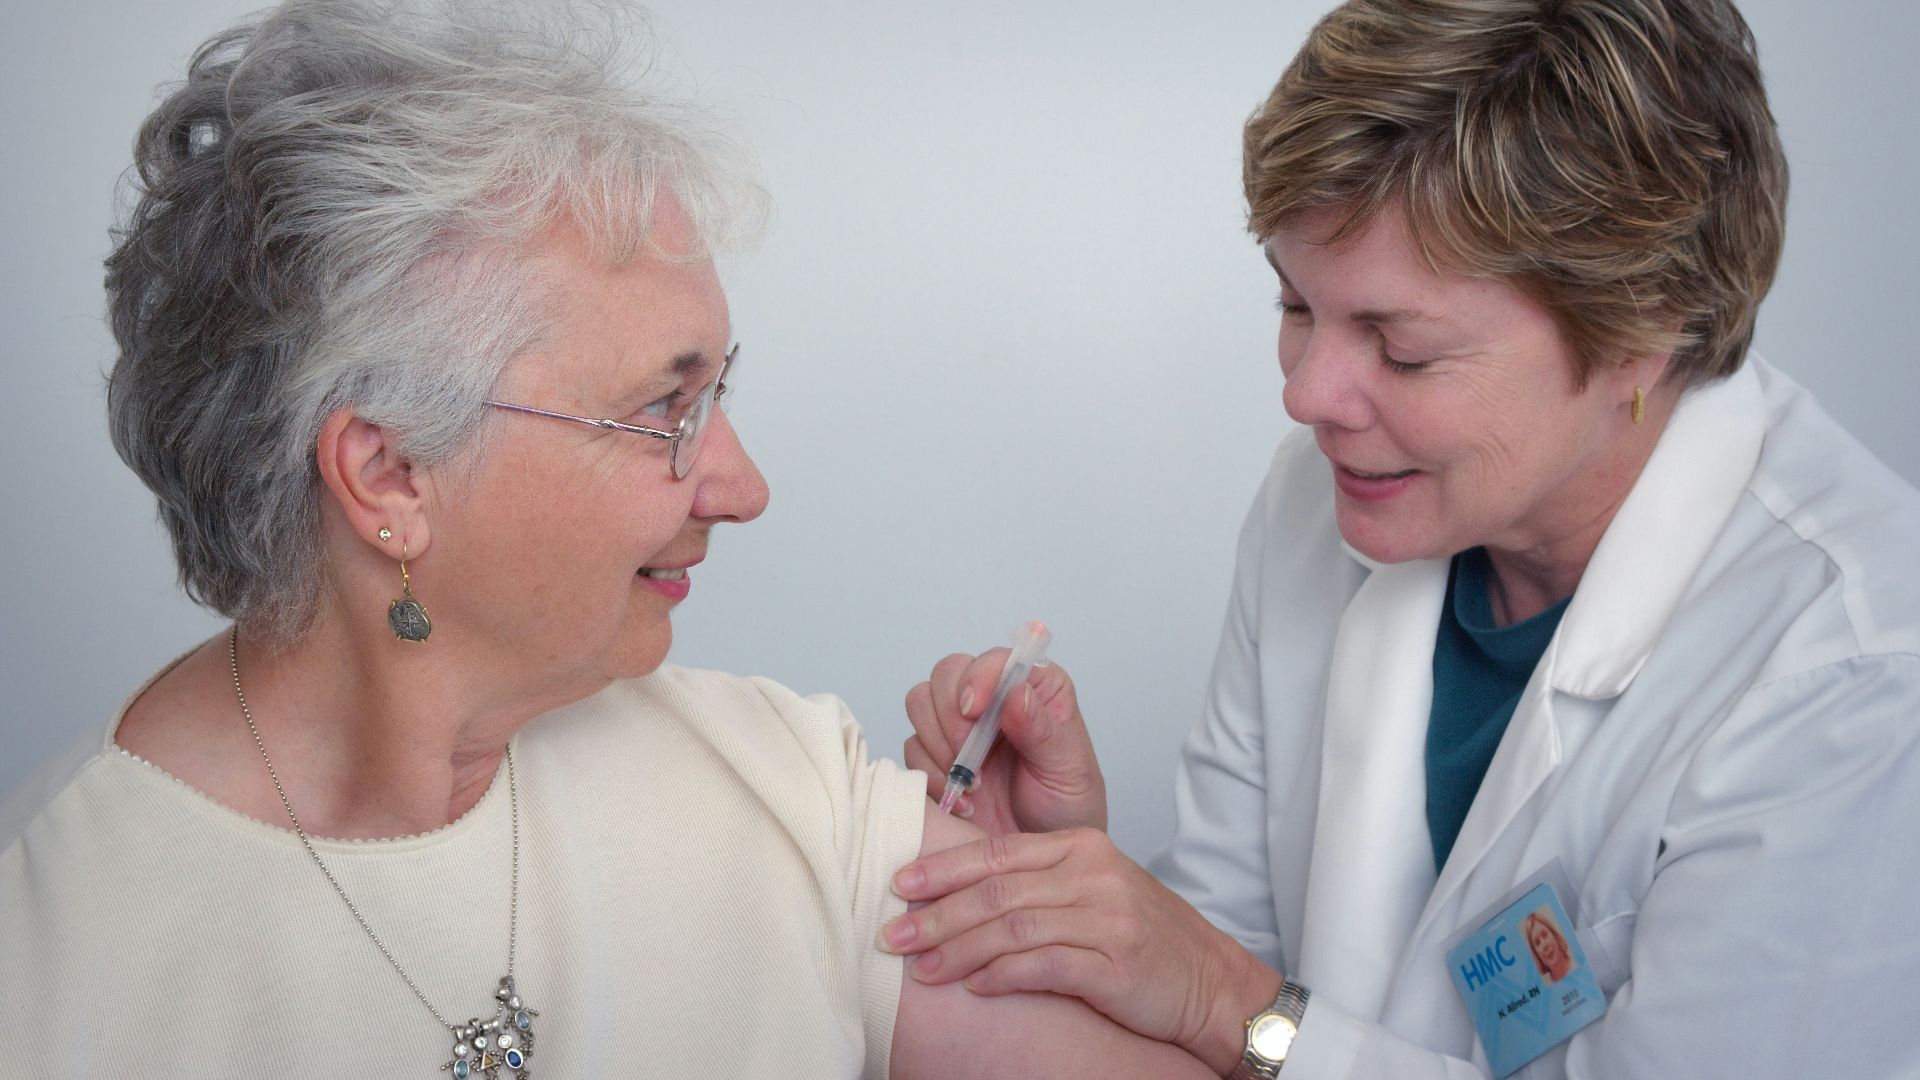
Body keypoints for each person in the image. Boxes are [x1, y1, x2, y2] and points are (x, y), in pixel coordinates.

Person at [0, 3, 1214, 1077]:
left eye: (718, 392)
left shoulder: (790, 798)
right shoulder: (43, 962)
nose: (743, 487)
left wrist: (1068, 926)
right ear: (390, 475)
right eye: (663, 412)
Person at [887, 0, 1920, 1076]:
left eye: (1404, 349)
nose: (1306, 393)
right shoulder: (1328, 500)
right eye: (1296, 305)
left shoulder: (1855, 678)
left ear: (1644, 333)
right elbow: (1211, 996)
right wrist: (1074, 900)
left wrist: (1222, 995)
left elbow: (1235, 1012)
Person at [1523, 911, 1573, 985]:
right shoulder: (1544, 986)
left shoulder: (1577, 962)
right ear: (1537, 955)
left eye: (1545, 935)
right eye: (1537, 943)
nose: (1544, 945)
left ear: (1554, 935)